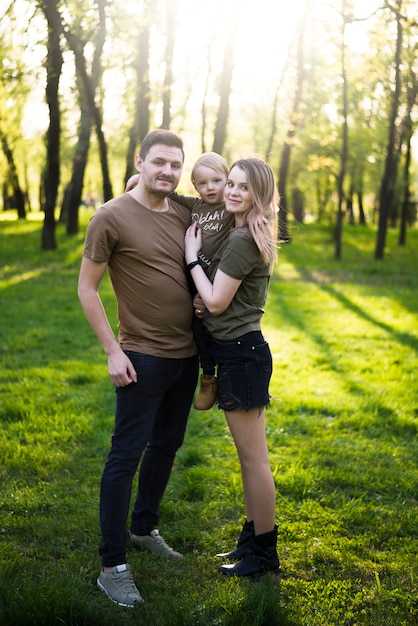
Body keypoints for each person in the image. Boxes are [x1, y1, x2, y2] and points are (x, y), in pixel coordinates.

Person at [78, 129, 199, 608]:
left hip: (188, 357)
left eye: (176, 164)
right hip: (141, 357)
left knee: (167, 445)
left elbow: (224, 199)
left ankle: (144, 528)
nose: (167, 171)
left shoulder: (186, 211)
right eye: (159, 163)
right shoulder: (110, 217)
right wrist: (112, 350)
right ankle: (112, 566)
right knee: (124, 456)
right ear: (141, 161)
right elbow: (88, 289)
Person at [184, 156, 280, 577]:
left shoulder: (243, 239)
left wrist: (192, 260)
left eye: (243, 187)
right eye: (232, 184)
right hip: (237, 351)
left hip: (242, 354)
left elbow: (218, 301)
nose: (233, 192)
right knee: (247, 460)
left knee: (254, 460)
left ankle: (263, 556)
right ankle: (252, 542)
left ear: (259, 193)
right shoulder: (246, 230)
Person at [125, 152, 235, 411]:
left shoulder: (231, 208)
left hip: (219, 282)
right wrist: (138, 178)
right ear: (195, 186)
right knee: (198, 332)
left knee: (218, 332)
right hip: (194, 281)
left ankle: (226, 375)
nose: (210, 188)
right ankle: (208, 377)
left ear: (227, 181)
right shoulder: (195, 206)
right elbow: (169, 194)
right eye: (202, 183)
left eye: (216, 181)